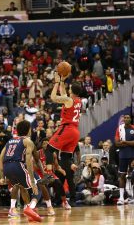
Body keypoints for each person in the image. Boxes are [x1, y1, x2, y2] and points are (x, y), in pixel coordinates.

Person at [46, 72, 82, 205]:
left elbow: (53, 97)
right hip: (75, 132)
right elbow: (65, 96)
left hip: (66, 128)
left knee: (49, 149)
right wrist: (61, 82)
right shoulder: (77, 101)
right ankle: (72, 199)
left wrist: (56, 83)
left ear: (72, 90)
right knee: (66, 162)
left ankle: (49, 174)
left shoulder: (68, 100)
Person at [0, 120, 42, 222]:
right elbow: (28, 160)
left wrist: (2, 176)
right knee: (38, 186)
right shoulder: (27, 141)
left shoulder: (10, 141)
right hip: (17, 165)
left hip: (6, 167)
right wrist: (32, 179)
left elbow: (0, 158)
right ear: (28, 130)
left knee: (22, 186)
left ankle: (29, 212)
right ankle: (30, 208)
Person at [115, 114, 134, 205]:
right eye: (125, 118)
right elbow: (117, 143)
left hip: (132, 156)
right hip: (122, 156)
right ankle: (121, 197)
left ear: (131, 119)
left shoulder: (133, 128)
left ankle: (132, 197)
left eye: (128, 118)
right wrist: (130, 143)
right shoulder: (119, 129)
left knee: (132, 176)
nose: (126, 119)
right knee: (122, 176)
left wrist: (125, 142)